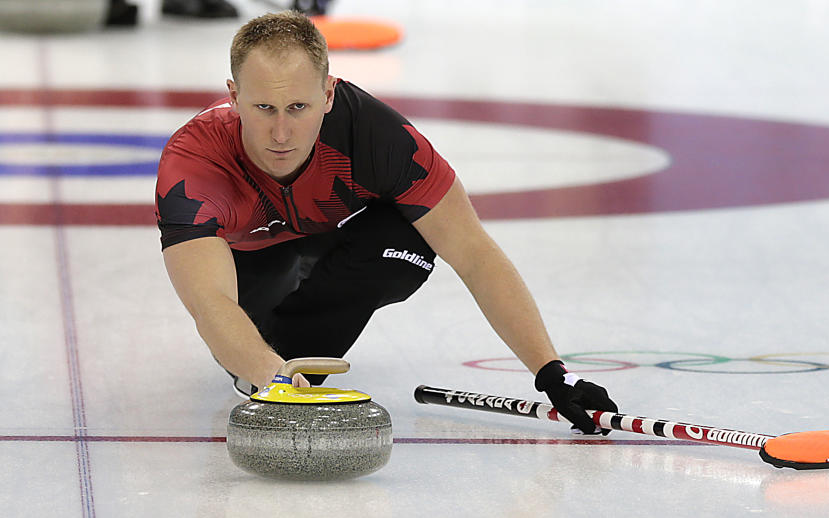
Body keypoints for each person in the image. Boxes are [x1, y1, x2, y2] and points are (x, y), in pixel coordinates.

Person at [154, 11, 618, 434]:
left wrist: (553, 373)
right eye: (264, 109)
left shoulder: (378, 138)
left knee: (406, 242)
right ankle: (277, 358)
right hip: (250, 267)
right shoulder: (194, 165)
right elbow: (211, 303)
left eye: (298, 108)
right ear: (234, 97)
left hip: (328, 241)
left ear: (329, 94)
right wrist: (270, 377)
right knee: (245, 349)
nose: (281, 133)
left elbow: (474, 254)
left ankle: (295, 350)